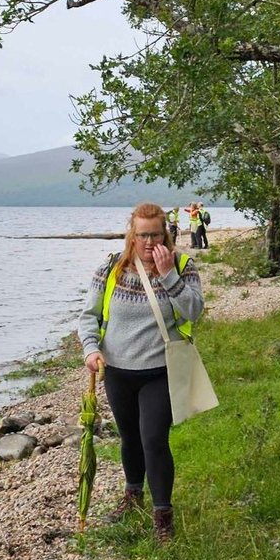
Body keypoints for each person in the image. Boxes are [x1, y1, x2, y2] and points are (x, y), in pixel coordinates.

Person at [78, 202, 204, 542]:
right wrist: (91, 349)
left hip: (160, 370)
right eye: (142, 235)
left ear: (167, 234)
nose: (149, 242)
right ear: (131, 235)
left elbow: (195, 311)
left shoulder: (182, 266)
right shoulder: (111, 268)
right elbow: (89, 316)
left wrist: (168, 277)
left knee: (153, 438)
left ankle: (163, 515)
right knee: (129, 437)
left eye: (156, 234)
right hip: (117, 370)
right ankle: (133, 495)